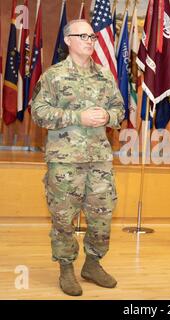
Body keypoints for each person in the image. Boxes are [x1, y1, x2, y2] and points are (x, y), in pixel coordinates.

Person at [31, 20, 124, 296]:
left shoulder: (105, 76)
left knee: (102, 215)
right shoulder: (53, 76)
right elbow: (38, 112)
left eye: (92, 36)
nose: (89, 40)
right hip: (65, 161)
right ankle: (66, 269)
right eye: (82, 35)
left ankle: (92, 264)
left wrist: (109, 116)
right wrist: (77, 117)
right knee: (63, 218)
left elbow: (119, 109)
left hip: (99, 160)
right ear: (68, 40)